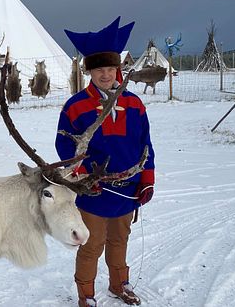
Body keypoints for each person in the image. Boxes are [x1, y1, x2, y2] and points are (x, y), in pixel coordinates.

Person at [56, 17, 156, 307]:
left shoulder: (135, 104)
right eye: (99, 69)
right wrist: (85, 177)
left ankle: (118, 284)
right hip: (93, 192)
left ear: (118, 69)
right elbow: (65, 146)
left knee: (119, 241)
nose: (106, 74)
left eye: (110, 68)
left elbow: (145, 144)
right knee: (91, 245)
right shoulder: (75, 106)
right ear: (90, 71)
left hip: (127, 190)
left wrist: (147, 179)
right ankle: (86, 295)